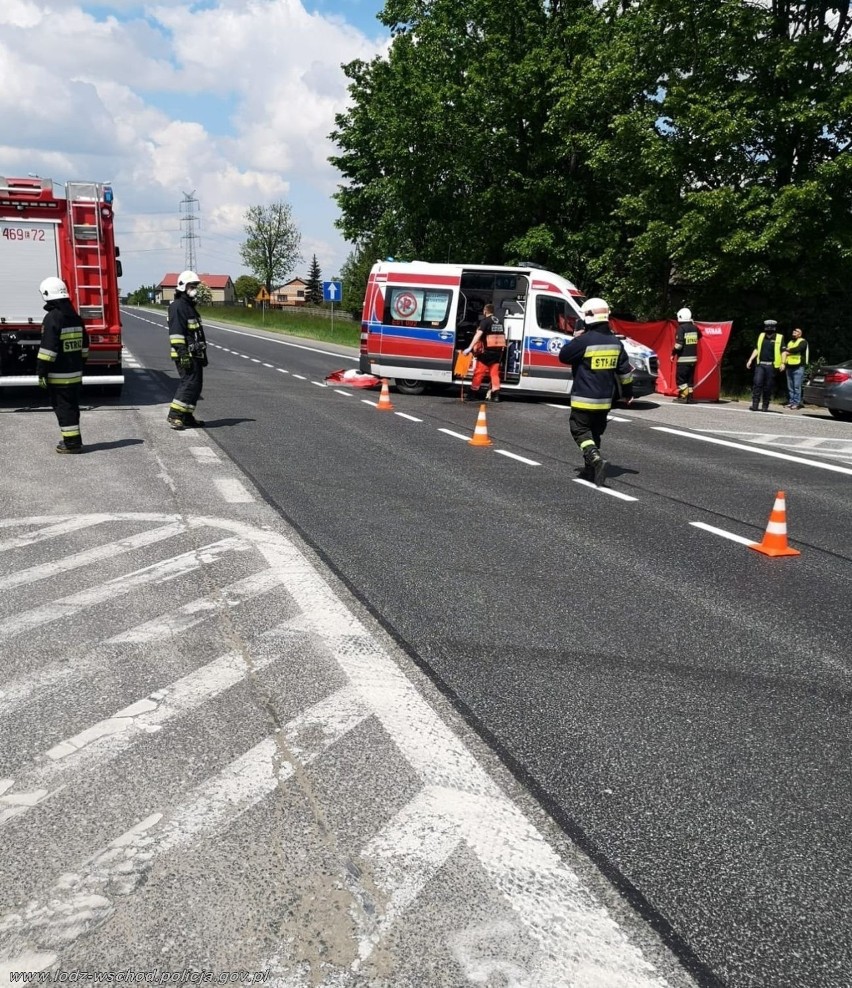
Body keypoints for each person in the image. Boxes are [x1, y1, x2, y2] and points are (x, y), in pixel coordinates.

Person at [558, 297, 633, 486]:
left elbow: (564, 356)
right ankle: (591, 471)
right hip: (605, 400)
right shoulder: (616, 343)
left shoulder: (585, 341)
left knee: (580, 431)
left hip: (584, 397)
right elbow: (625, 372)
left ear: (589, 317)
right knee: (595, 433)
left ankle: (595, 459)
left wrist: (576, 339)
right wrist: (628, 392)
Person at [36, 276, 89, 453]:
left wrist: (41, 372)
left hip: (58, 375)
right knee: (72, 407)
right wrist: (80, 365)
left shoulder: (52, 317)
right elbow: (85, 346)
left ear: (46, 295)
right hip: (75, 373)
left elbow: (47, 350)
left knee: (63, 408)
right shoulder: (74, 317)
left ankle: (71, 444)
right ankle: (74, 440)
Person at [167, 270, 207, 429]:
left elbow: (196, 333)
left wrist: (203, 355)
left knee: (196, 385)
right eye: (192, 285)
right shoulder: (177, 307)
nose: (195, 288)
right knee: (189, 383)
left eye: (195, 285)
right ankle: (174, 415)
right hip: (185, 354)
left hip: (195, 353)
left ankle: (187, 416)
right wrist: (183, 354)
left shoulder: (189, 306)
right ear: (183, 286)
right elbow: (176, 333)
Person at [462, 303, 505, 402]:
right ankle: (496, 396)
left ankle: (472, 394)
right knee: (494, 374)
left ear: (485, 311)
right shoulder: (499, 322)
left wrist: (469, 348)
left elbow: (478, 335)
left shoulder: (485, 321)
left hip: (487, 352)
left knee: (479, 372)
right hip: (498, 352)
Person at [745, 319, 783, 411]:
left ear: (774, 328)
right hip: (760, 365)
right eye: (767, 327)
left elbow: (783, 351)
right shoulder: (761, 336)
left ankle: (765, 406)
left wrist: (782, 363)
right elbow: (757, 349)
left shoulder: (779, 337)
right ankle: (755, 405)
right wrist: (750, 360)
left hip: (771, 366)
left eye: (771, 327)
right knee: (757, 383)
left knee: (768, 386)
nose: (768, 328)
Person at [672, 307, 701, 403]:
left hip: (683, 359)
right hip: (693, 359)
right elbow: (700, 335)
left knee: (681, 379)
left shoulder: (681, 328)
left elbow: (679, 345)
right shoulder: (694, 327)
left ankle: (684, 397)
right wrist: (693, 324)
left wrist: (673, 353)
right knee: (689, 380)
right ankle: (690, 397)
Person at [781, 326, 808, 410]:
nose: (794, 332)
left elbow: (798, 349)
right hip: (789, 366)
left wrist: (787, 350)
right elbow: (784, 351)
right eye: (794, 331)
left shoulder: (803, 341)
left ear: (800, 334)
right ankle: (791, 402)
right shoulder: (790, 342)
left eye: (796, 331)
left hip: (798, 366)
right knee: (790, 386)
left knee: (796, 386)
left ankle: (796, 403)